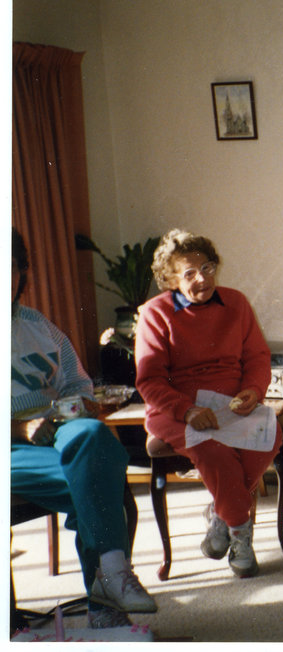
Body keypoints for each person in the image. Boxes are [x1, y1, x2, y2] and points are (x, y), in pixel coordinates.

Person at [11, 228, 157, 628]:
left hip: (55, 429)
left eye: (9, 267)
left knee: (94, 438)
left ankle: (108, 577)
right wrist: (19, 429)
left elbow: (74, 380)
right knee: (97, 478)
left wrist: (81, 401)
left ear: (21, 273)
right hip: (12, 444)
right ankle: (106, 601)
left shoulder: (35, 323)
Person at [134, 229, 281, 579]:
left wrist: (252, 392)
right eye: (189, 273)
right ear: (169, 279)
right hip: (177, 409)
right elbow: (149, 379)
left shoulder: (237, 303)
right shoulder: (156, 313)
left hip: (232, 403)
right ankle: (241, 534)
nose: (203, 279)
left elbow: (258, 357)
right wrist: (187, 410)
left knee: (271, 437)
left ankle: (220, 513)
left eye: (208, 267)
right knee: (215, 452)